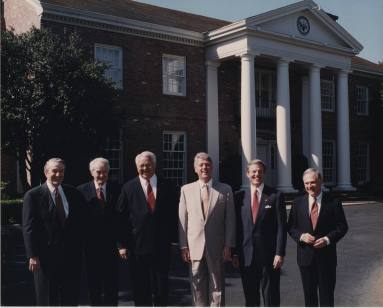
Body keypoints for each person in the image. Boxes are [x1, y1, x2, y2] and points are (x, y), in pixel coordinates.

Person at [116, 151, 178, 306]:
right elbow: (120, 219)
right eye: (142, 165)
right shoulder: (128, 188)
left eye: (148, 164)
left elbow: (175, 216)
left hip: (161, 246)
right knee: (140, 287)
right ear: (137, 167)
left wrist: (176, 241)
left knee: (161, 288)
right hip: (137, 247)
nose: (145, 168)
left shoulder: (168, 186)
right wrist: (121, 245)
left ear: (155, 165)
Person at [22, 158, 84, 306]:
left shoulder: (72, 193)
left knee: (70, 297)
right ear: (46, 172)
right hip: (45, 258)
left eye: (61, 171)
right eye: (54, 171)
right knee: (48, 299)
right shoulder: (33, 196)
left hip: (70, 257)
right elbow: (28, 227)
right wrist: (33, 255)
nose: (58, 174)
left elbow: (79, 223)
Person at [178, 152, 236, 306]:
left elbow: (230, 220)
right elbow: (182, 220)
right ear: (195, 168)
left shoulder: (225, 189)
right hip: (194, 246)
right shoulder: (186, 189)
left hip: (217, 246)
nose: (204, 167)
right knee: (196, 285)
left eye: (207, 165)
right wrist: (183, 245)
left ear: (212, 168)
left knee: (217, 285)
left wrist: (228, 245)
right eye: (201, 165)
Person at [287, 168, 348, 306]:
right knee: (309, 299)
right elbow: (291, 227)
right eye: (306, 183)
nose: (309, 186)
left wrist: (327, 240)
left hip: (327, 259)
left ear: (320, 181)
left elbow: (342, 226)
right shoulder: (297, 203)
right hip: (305, 259)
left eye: (313, 182)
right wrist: (301, 236)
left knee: (327, 298)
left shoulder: (333, 202)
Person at [233, 159, 287, 306]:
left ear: (264, 173)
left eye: (260, 171)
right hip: (246, 255)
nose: (257, 174)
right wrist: (235, 253)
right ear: (247, 174)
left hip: (269, 256)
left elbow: (281, 227)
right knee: (250, 298)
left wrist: (279, 253)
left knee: (271, 297)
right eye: (253, 172)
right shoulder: (238, 197)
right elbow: (236, 227)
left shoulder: (276, 196)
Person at [77, 157, 120, 306]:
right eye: (98, 172)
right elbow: (78, 221)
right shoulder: (81, 191)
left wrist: (121, 244)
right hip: (90, 247)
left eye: (105, 172)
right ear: (91, 172)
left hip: (112, 248)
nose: (101, 176)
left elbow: (122, 219)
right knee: (93, 286)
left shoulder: (118, 189)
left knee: (112, 287)